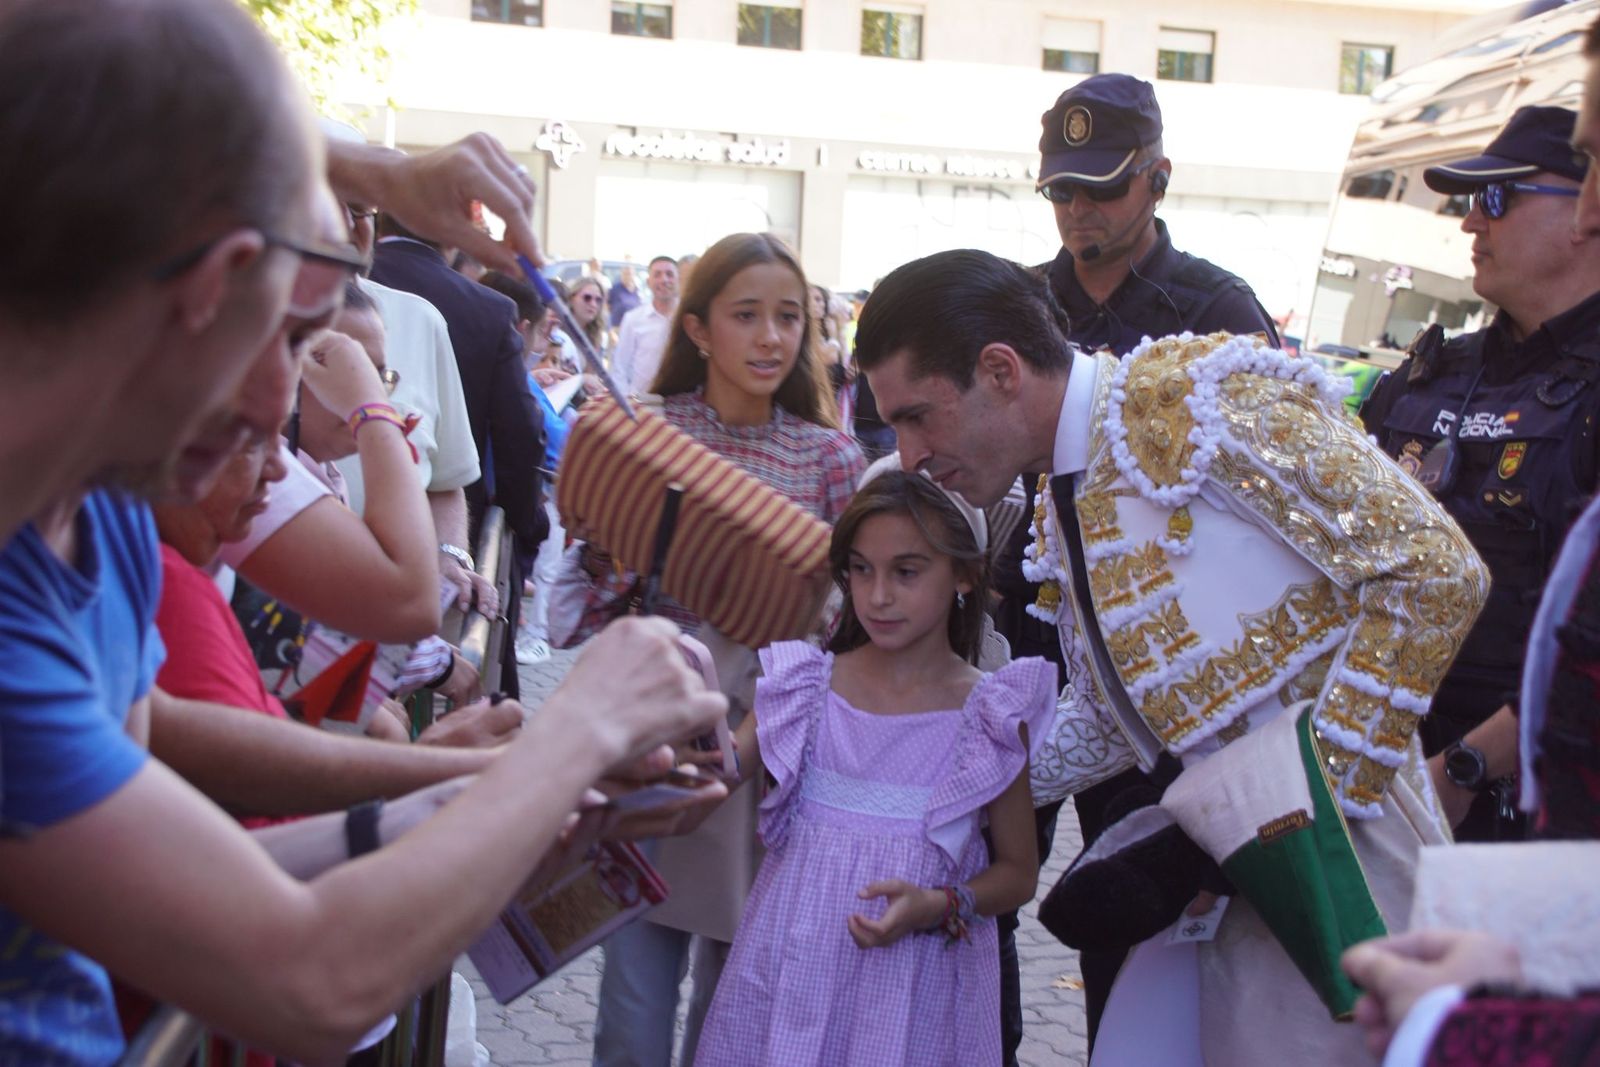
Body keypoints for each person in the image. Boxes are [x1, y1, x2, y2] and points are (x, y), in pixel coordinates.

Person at [0, 3, 727, 1062]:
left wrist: (513, 794)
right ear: (211, 283)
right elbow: (302, 974)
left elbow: (226, 877)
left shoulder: (94, 507)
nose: (291, 416)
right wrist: (576, 729)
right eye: (296, 338)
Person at [855, 249, 1487, 1065]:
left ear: (1001, 371)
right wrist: (940, 790)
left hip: (1348, 851)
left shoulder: (1211, 398)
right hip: (1225, 862)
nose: (909, 454)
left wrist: (1289, 817)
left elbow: (1436, 570)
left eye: (918, 416)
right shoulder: (1061, 483)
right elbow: (1115, 714)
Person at [1005, 70, 1287, 1053]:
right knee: (974, 889)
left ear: (1158, 177)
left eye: (1101, 186)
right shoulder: (1013, 304)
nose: (1077, 208)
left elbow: (1265, 507)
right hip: (1021, 641)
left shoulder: (1217, 308)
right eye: (1061, 188)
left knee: (1132, 924)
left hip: (1153, 670)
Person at [580, 232, 866, 1067]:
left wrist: (755, 734)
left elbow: (843, 627)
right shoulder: (647, 432)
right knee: (631, 1010)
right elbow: (598, 592)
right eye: (747, 315)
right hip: (652, 739)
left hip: (770, 749)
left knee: (733, 1010)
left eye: (789, 316)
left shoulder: (833, 458)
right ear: (698, 328)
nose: (772, 337)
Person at [693, 470, 1055, 1065]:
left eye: (906, 572)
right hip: (791, 970)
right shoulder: (804, 685)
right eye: (861, 569)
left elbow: (1018, 873)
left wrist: (940, 904)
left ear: (965, 575)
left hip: (917, 990)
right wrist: (681, 746)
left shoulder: (990, 714)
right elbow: (716, 773)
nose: (878, 595)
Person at [1359, 104, 1600, 843]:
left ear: (1587, 210)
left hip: (1534, 815)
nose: (1470, 222)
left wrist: (1464, 768)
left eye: (1497, 197)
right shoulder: (1429, 375)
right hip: (1382, 778)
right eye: (1469, 200)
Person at [611, 255, 680, 398]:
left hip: (680, 403)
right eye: (657, 275)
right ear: (649, 282)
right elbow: (619, 366)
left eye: (669, 274)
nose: (664, 280)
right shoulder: (633, 319)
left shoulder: (687, 319)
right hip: (643, 404)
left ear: (678, 280)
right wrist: (627, 401)